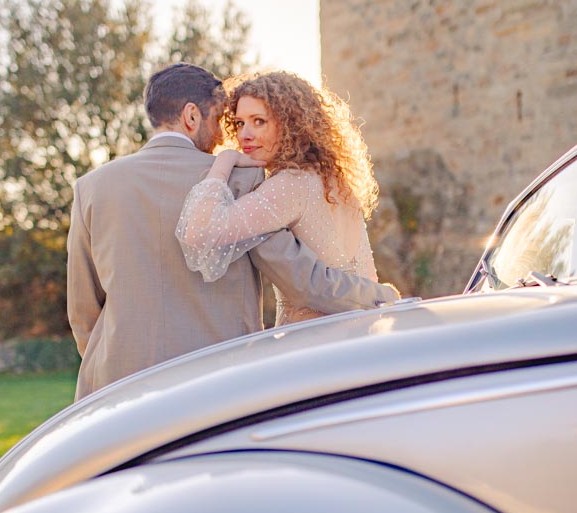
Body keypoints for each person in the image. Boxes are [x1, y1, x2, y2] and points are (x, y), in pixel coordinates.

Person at [67, 63, 398, 399]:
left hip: (113, 386)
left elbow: (82, 309)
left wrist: (111, 356)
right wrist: (380, 294)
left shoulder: (91, 187)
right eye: (223, 121)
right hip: (217, 381)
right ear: (192, 117)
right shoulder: (241, 180)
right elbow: (300, 278)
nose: (228, 137)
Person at [176, 71, 393, 326]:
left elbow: (200, 231)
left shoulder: (290, 184)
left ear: (291, 123)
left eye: (259, 121)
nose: (244, 135)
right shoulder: (332, 179)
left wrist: (222, 164)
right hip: (363, 330)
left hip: (312, 343)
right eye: (239, 123)